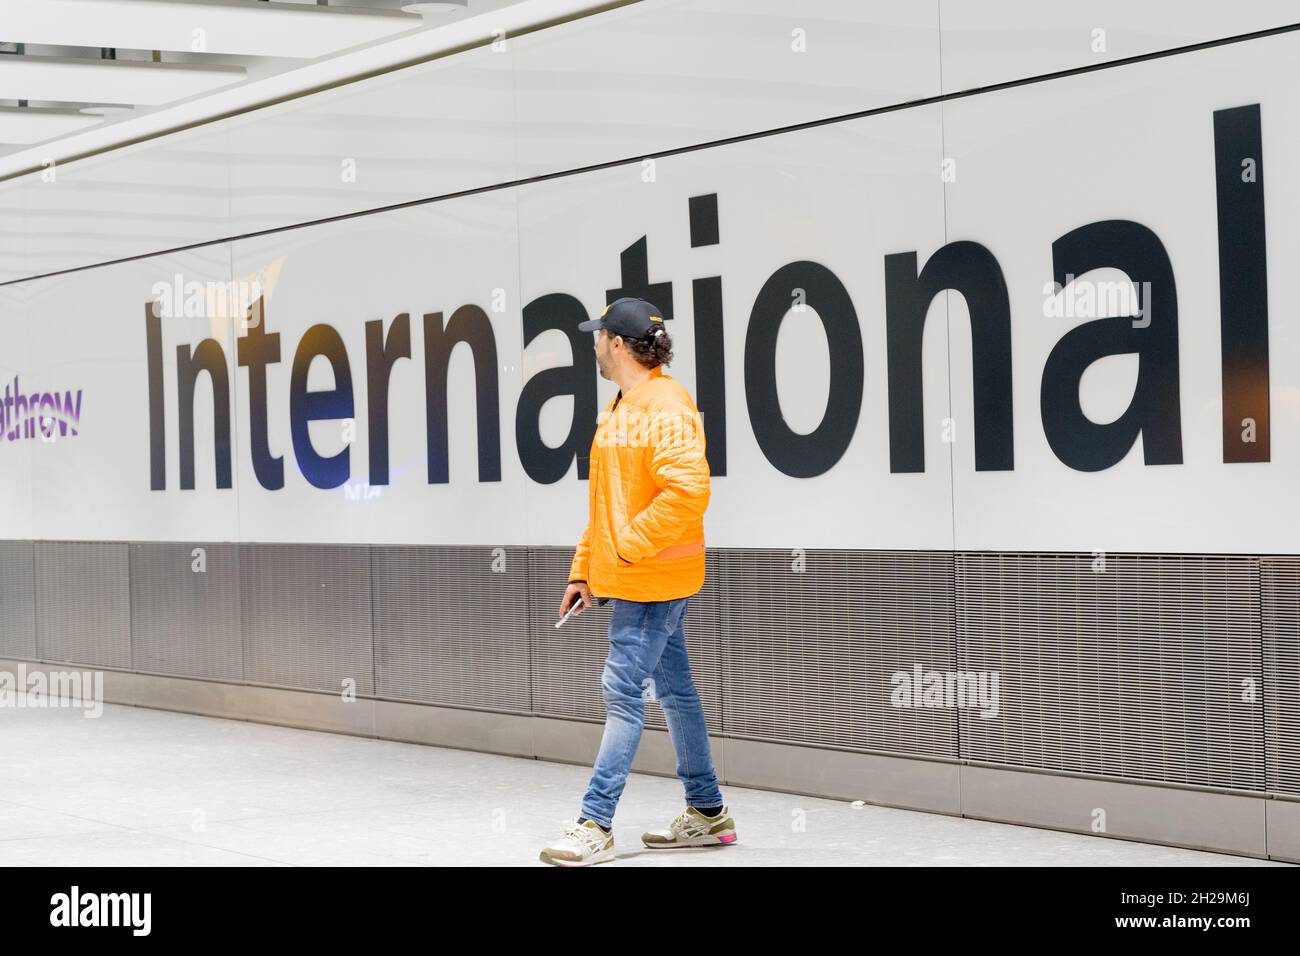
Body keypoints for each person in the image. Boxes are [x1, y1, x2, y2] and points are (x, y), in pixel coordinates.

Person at [539, 297, 737, 867]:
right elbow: (609, 505)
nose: (593, 344)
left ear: (618, 344)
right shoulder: (623, 404)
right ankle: (707, 812)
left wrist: (624, 550)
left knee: (622, 694)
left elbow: (688, 492)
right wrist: (586, 569)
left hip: (651, 580)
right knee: (676, 692)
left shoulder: (666, 406)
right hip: (632, 575)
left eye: (597, 336)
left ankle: (595, 823)